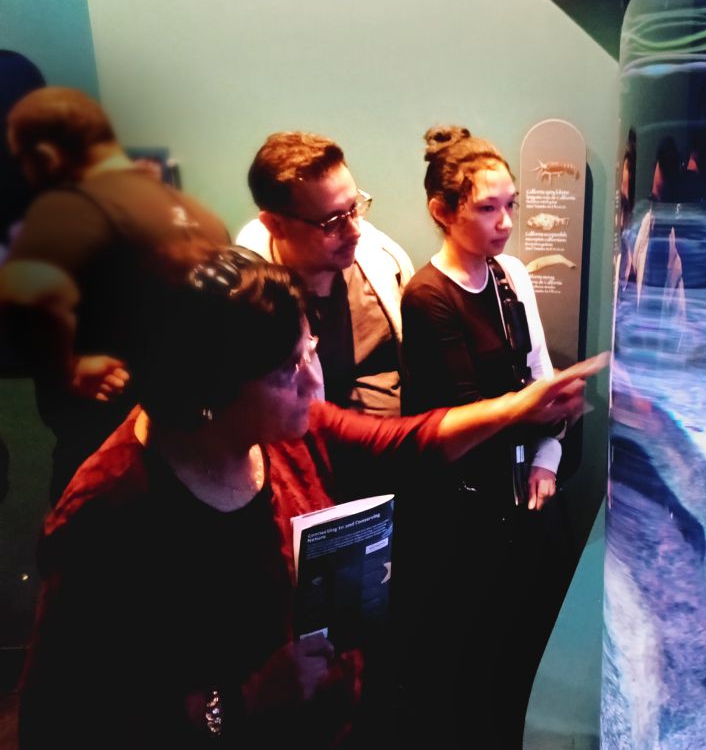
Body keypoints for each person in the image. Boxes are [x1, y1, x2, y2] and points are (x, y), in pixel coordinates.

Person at [17, 245, 604, 750]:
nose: (314, 381)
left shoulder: (284, 431)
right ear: (207, 391)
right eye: (285, 371)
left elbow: (404, 443)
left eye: (310, 349)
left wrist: (519, 408)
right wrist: (241, 701)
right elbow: (61, 723)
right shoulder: (108, 515)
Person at [396, 125, 572, 746]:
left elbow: (539, 375)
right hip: (461, 508)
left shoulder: (510, 275)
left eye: (511, 206)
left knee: (520, 648)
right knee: (465, 658)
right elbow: (470, 412)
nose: (505, 223)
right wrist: (543, 409)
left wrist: (548, 455)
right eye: (487, 208)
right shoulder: (427, 296)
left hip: (518, 492)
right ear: (442, 212)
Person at [0, 86, 229, 503]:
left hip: (101, 431)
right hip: (188, 424)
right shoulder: (195, 212)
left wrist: (68, 365)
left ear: (46, 156)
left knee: (89, 518)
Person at [239, 132, 413, 416]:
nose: (355, 232)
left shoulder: (385, 263)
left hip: (401, 439)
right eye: (332, 222)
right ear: (275, 225)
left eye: (354, 208)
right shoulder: (249, 305)